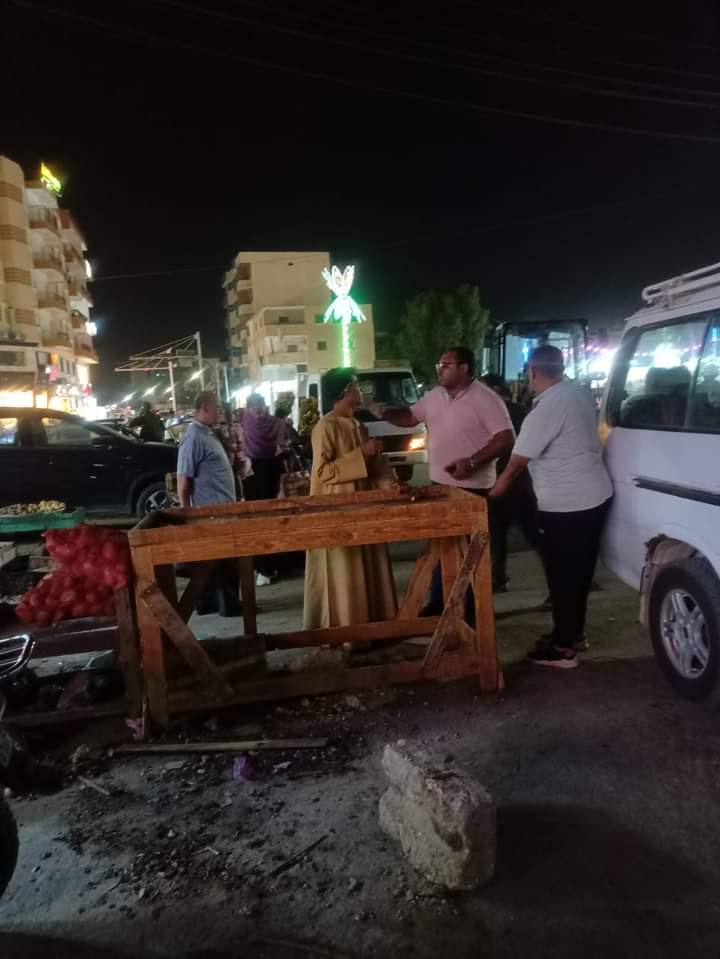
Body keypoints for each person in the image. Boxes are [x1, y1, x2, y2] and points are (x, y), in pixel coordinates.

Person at [490, 345, 613, 669]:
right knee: (580, 572)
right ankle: (573, 633)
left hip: (566, 506)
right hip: (596, 496)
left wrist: (492, 494)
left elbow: (516, 464)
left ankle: (562, 649)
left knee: (562, 576)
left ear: (533, 371)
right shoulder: (579, 393)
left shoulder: (545, 409)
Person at [381, 346, 514, 613]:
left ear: (464, 368)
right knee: (442, 545)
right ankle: (438, 603)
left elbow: (505, 438)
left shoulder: (485, 399)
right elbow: (409, 417)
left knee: (470, 553)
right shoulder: (435, 396)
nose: (439, 370)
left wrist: (473, 462)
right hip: (440, 486)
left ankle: (471, 611)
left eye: (446, 365)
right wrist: (379, 411)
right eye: (438, 365)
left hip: (473, 489)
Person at [303, 368, 398, 629]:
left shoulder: (359, 425)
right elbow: (322, 473)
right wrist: (361, 454)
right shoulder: (325, 426)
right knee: (344, 572)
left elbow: (373, 468)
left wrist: (392, 484)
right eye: (356, 386)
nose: (360, 391)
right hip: (338, 511)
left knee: (368, 567)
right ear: (345, 391)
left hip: (364, 508)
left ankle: (374, 628)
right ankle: (345, 633)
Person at [176, 390, 241, 616]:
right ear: (204, 408)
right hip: (210, 512)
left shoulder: (207, 433)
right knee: (223, 561)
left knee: (218, 561)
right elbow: (183, 479)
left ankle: (212, 603)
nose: (219, 411)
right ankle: (228, 605)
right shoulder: (193, 437)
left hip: (221, 509)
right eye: (216, 407)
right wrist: (186, 513)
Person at [480, 373, 543, 591]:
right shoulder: (523, 413)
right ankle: (559, 580)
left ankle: (497, 579)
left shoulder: (489, 414)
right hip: (522, 483)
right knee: (534, 535)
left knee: (497, 535)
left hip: (500, 482)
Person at [242, 393, 287, 502]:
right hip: (256, 470)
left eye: (260, 407)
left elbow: (284, 445)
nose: (258, 412)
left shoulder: (244, 424)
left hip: (265, 470)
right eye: (254, 408)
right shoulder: (277, 423)